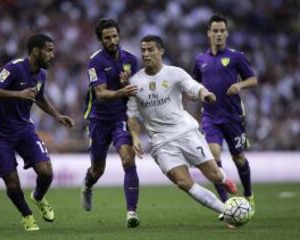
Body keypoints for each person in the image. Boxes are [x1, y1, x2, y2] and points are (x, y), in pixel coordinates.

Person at [127, 35, 237, 226]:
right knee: (183, 182)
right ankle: (226, 211)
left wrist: (205, 94)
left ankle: (223, 178)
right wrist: (135, 137)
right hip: (160, 141)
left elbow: (194, 86)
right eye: (143, 50)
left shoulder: (175, 73)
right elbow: (132, 115)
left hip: (185, 132)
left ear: (160, 51)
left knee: (214, 175)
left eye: (150, 49)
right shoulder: (135, 82)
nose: (146, 54)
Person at [0, 34, 74, 231]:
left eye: (53, 50)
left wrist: (57, 116)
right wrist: (17, 93)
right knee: (13, 183)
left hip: (24, 130)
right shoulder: (14, 68)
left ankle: (38, 197)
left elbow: (39, 98)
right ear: (35, 51)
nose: (53, 54)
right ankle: (27, 216)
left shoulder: (41, 74)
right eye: (49, 50)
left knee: (46, 173)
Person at [192, 14, 257, 211]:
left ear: (226, 33)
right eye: (215, 31)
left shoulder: (236, 57)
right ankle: (226, 205)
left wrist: (239, 85)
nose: (219, 34)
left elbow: (253, 80)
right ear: (209, 33)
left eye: (222, 31)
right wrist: (193, 93)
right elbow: (194, 84)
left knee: (239, 158)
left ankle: (248, 194)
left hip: (233, 116)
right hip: (211, 117)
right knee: (213, 158)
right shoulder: (200, 59)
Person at [81, 18, 140, 228]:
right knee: (98, 170)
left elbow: (137, 91)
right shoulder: (95, 62)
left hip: (120, 118)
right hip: (98, 119)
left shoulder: (131, 60)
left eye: (115, 36)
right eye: (107, 38)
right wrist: (121, 90)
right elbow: (101, 94)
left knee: (127, 159)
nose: (112, 40)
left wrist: (129, 84)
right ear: (100, 40)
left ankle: (131, 212)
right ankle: (88, 185)